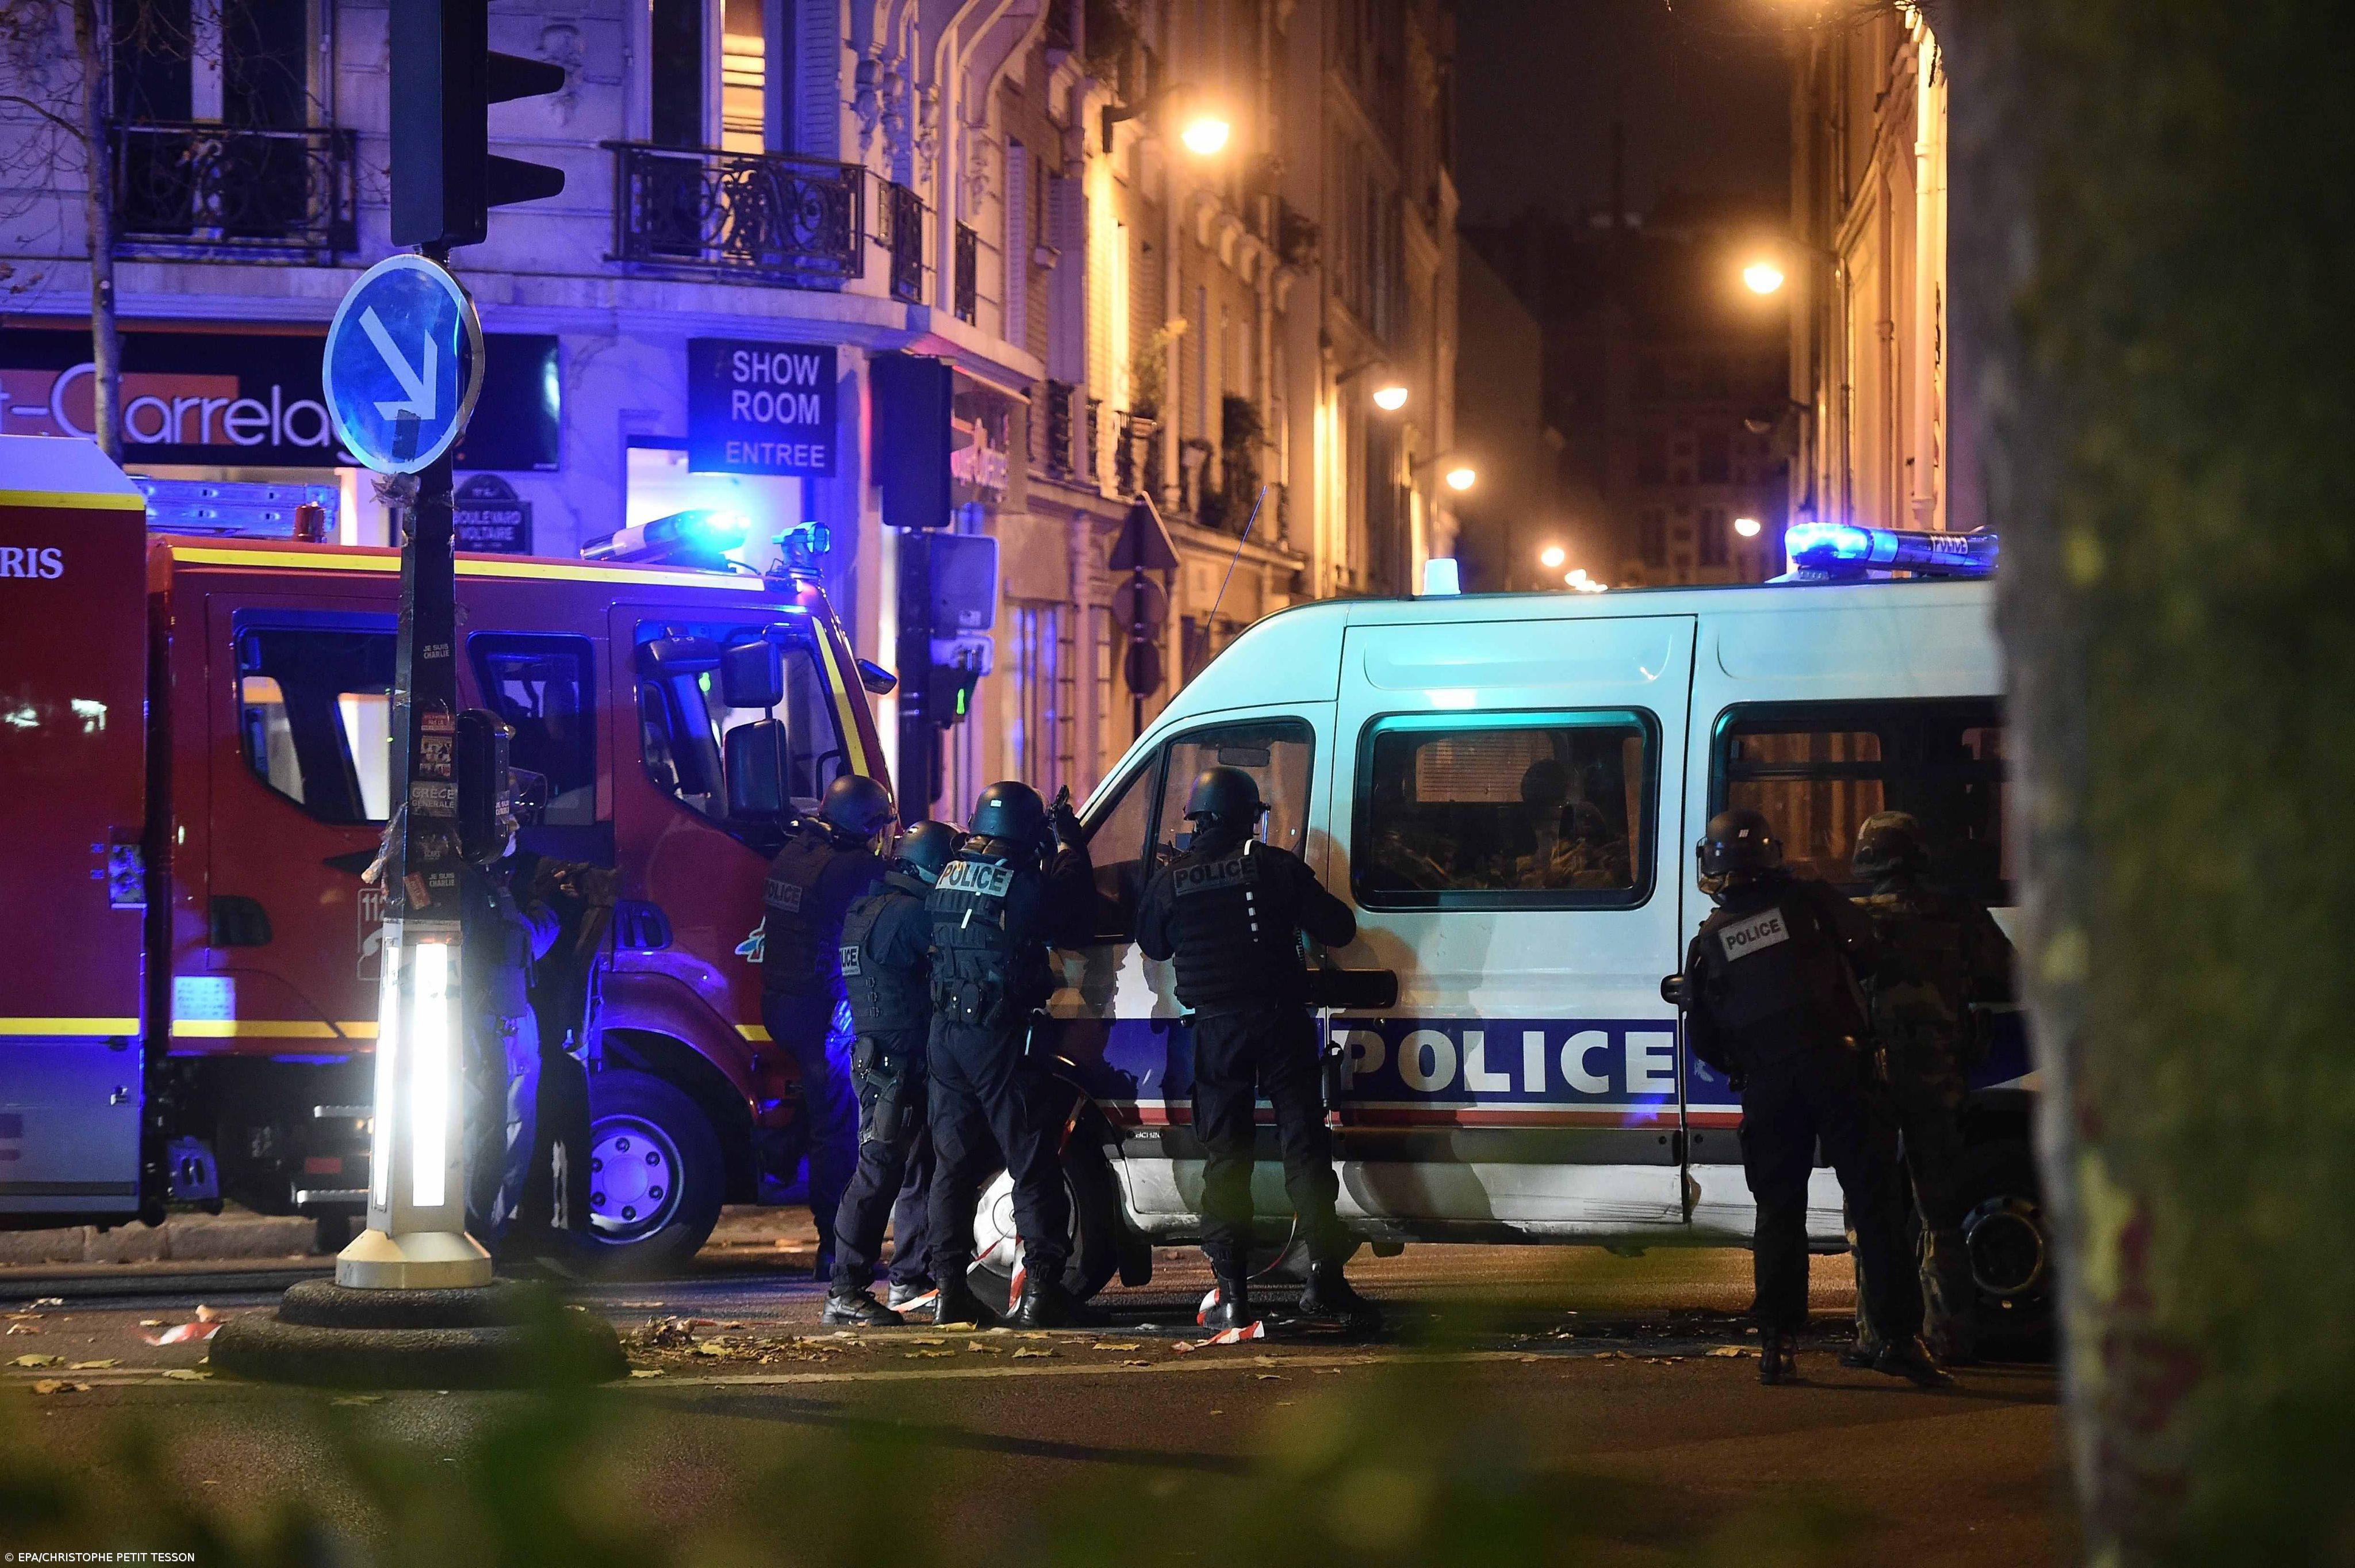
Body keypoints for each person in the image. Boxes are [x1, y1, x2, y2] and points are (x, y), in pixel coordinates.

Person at [1679, 807, 1949, 1389]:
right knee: (1876, 1208)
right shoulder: (1809, 901)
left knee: (1779, 1214)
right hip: (1841, 1070)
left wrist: (1750, 1065)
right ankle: (1899, 1341)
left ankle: (1777, 1346)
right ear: (1772, 853)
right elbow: (1872, 952)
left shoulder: (1709, 939)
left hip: (1769, 1087)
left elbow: (1701, 1033)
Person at [1134, 766, 1372, 1332]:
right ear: (1247, 817)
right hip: (1280, 1023)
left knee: (1226, 1160)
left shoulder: (1173, 879)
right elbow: (1337, 928)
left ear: (1198, 819)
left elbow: (1153, 942)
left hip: (1216, 1032)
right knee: (1303, 1148)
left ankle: (1231, 1292)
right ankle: (1324, 1279)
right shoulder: (1273, 867)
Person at [1844, 810, 2016, 1366]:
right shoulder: (1960, 915)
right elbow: (2009, 976)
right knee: (1941, 1213)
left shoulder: (1851, 921)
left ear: (1869, 859)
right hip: (1938, 1077)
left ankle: (1875, 1337)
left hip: (1870, 1080)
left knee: (1871, 1211)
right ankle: (1947, 1337)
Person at [923, 780, 1095, 1328]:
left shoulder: (949, 874)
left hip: (946, 1036)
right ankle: (1042, 1289)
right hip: (998, 1035)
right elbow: (1071, 913)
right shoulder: (1019, 880)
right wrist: (1070, 846)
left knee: (951, 1166)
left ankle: (949, 1289)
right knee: (1032, 1161)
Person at [822, 818, 965, 1327]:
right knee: (878, 1173)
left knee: (916, 1167)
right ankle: (846, 1290)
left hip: (886, 1060)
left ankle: (909, 1276)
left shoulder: (870, 907)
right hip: (894, 1066)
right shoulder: (911, 914)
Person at [760, 773, 896, 1280]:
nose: (885, 831)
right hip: (825, 1014)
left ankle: (777, 1151)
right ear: (863, 823)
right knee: (837, 1130)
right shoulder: (854, 867)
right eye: (880, 821)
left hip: (783, 1003)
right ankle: (833, 1249)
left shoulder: (795, 852)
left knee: (821, 1114)